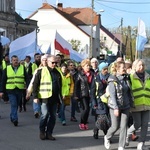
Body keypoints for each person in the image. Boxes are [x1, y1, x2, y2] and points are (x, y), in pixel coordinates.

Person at [104, 61, 133, 150]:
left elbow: (129, 92)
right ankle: (107, 137)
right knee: (115, 126)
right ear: (117, 69)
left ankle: (121, 146)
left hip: (126, 106)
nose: (124, 69)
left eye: (124, 67)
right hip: (114, 106)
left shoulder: (126, 78)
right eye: (122, 67)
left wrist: (131, 103)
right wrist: (116, 108)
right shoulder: (112, 79)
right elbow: (112, 95)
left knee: (123, 127)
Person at [32, 55, 62, 140]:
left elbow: (60, 85)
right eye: (53, 62)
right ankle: (42, 131)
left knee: (53, 116)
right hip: (44, 97)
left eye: (56, 62)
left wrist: (61, 96)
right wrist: (35, 96)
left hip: (55, 97)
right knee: (45, 115)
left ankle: (49, 133)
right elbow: (35, 84)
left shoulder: (57, 72)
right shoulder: (41, 71)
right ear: (48, 62)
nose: (54, 64)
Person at [126, 59, 150, 150]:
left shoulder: (148, 76)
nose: (141, 67)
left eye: (143, 65)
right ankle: (127, 134)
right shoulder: (131, 77)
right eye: (139, 65)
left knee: (145, 125)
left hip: (147, 104)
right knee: (137, 124)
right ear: (135, 67)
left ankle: (141, 144)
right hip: (136, 104)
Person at [0, 55, 27, 126]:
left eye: (17, 60)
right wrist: (1, 91)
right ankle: (15, 119)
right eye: (14, 60)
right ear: (11, 61)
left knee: (17, 103)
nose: (16, 61)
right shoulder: (7, 68)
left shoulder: (22, 68)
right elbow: (3, 80)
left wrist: (28, 87)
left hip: (19, 89)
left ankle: (12, 115)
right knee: (14, 103)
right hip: (10, 89)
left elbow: (27, 78)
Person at [91, 62, 110, 139]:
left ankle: (96, 130)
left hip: (108, 101)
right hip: (99, 101)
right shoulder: (96, 79)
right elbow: (92, 92)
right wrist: (94, 103)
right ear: (100, 70)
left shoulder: (110, 78)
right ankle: (106, 136)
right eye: (104, 69)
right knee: (102, 118)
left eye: (106, 69)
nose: (106, 71)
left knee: (103, 118)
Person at [74, 59, 94, 130]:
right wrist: (75, 95)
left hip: (90, 94)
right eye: (86, 66)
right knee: (86, 108)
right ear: (83, 66)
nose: (88, 67)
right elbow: (76, 85)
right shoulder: (79, 74)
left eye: (89, 65)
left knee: (87, 110)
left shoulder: (92, 74)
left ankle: (85, 123)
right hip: (83, 94)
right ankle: (82, 123)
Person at [32, 53, 41, 118]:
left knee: (40, 97)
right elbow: (29, 75)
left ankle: (39, 110)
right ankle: (36, 111)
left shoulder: (43, 65)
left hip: (42, 84)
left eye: (39, 57)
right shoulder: (32, 65)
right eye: (37, 57)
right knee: (35, 96)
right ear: (35, 58)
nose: (38, 58)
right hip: (34, 83)